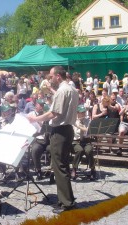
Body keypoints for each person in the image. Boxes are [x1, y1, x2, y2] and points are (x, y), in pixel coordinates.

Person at [28, 66, 79, 214]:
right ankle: (67, 199)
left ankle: (66, 203)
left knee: (59, 167)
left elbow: (54, 113)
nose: (50, 79)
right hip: (68, 130)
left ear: (58, 76)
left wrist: (35, 119)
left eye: (51, 76)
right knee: (63, 165)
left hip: (60, 131)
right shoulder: (71, 89)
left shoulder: (63, 91)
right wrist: (51, 89)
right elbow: (62, 99)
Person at [71, 105, 96, 180]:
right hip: (76, 141)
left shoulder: (88, 121)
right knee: (79, 150)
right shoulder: (73, 121)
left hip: (86, 141)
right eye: (81, 113)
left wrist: (78, 126)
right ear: (77, 113)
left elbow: (88, 130)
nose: (83, 114)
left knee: (89, 151)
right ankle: (74, 169)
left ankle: (92, 169)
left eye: (84, 112)